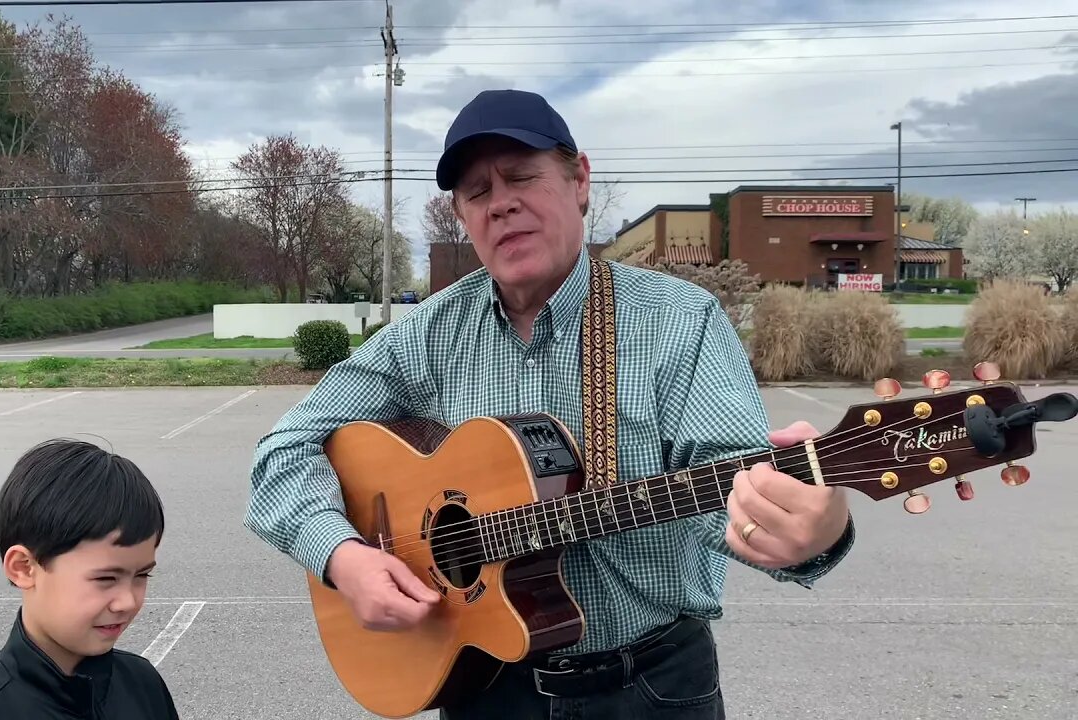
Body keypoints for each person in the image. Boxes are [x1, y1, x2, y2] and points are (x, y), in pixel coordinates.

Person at [244, 89, 855, 718]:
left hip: (650, 689)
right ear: (462, 215)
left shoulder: (679, 322)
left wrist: (811, 528)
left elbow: (735, 492)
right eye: (477, 192)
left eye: (521, 175)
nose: (500, 202)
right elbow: (280, 454)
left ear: (580, 180)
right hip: (485, 689)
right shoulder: (425, 335)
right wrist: (341, 556)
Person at [0, 438, 180, 720]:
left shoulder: (142, 683)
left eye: (142, 575)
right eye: (105, 578)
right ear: (24, 568)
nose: (128, 601)